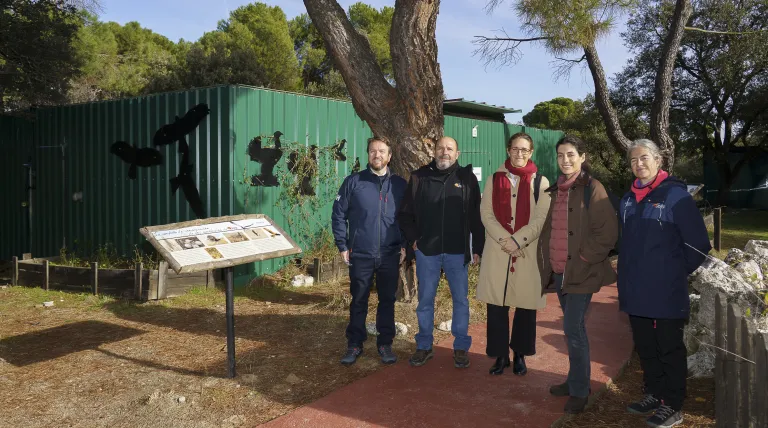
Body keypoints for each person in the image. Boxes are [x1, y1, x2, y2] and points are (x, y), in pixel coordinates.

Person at [618, 139, 710, 428]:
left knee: (669, 348)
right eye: (633, 160)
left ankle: (673, 404)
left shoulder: (676, 197)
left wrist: (672, 273)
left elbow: (698, 245)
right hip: (635, 289)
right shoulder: (627, 200)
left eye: (644, 158)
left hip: (666, 291)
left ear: (658, 161)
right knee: (645, 346)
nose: (639, 164)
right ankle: (655, 393)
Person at [538, 135, 619, 414]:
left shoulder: (593, 188)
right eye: (561, 155)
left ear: (582, 157)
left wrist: (584, 259)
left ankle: (581, 391)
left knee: (574, 329)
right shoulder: (557, 189)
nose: (565, 160)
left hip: (581, 272)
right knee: (571, 329)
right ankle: (574, 380)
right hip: (561, 271)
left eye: (571, 154)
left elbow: (607, 233)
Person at [397, 136, 484, 368]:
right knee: (425, 300)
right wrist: (414, 241)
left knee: (461, 301)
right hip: (427, 251)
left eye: (450, 148)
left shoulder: (466, 178)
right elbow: (405, 214)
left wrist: (478, 247)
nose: (445, 152)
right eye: (440, 148)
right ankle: (424, 346)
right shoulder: (419, 177)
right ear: (434, 151)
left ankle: (461, 347)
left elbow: (476, 215)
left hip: (457, 252)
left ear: (457, 154)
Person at [476, 132, 551, 377]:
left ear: (531, 152)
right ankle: (500, 356)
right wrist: (506, 241)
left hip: (527, 250)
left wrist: (517, 240)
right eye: (515, 149)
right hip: (498, 250)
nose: (520, 153)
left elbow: (541, 219)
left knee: (526, 306)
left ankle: (520, 354)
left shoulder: (541, 182)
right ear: (508, 150)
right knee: (497, 306)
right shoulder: (493, 179)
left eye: (524, 149)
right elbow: (486, 214)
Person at [332, 136, 407, 366]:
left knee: (387, 300)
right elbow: (338, 214)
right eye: (373, 151)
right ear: (368, 155)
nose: (377, 155)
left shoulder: (400, 185)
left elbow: (408, 218)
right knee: (359, 300)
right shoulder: (353, 182)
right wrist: (342, 245)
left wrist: (404, 245)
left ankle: (385, 344)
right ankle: (355, 344)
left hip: (389, 253)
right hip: (361, 253)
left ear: (389, 156)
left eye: (382, 151)